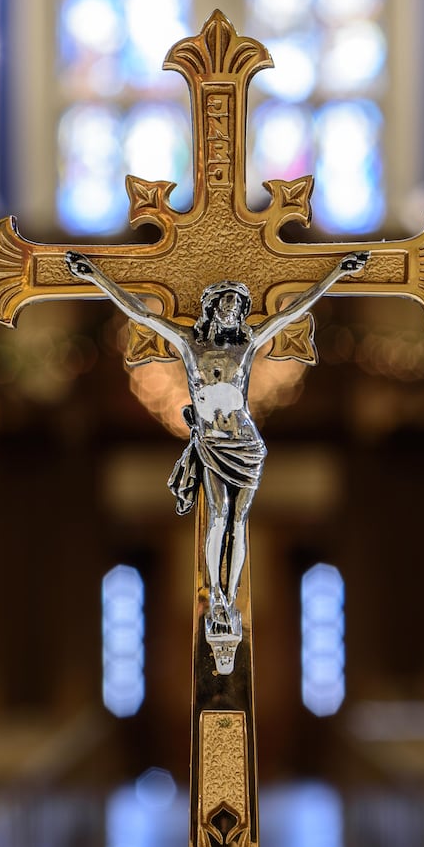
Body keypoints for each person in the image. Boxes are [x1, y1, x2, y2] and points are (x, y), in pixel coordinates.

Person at [65, 249, 369, 665]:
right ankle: (219, 596)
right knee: (219, 516)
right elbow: (143, 315)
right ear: (212, 308)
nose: (232, 311)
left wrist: (336, 272)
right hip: (211, 442)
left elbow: (291, 312)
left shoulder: (246, 346)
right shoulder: (191, 347)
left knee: (239, 520)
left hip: (245, 443)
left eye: (237, 306)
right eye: (225, 304)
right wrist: (96, 277)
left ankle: (230, 594)